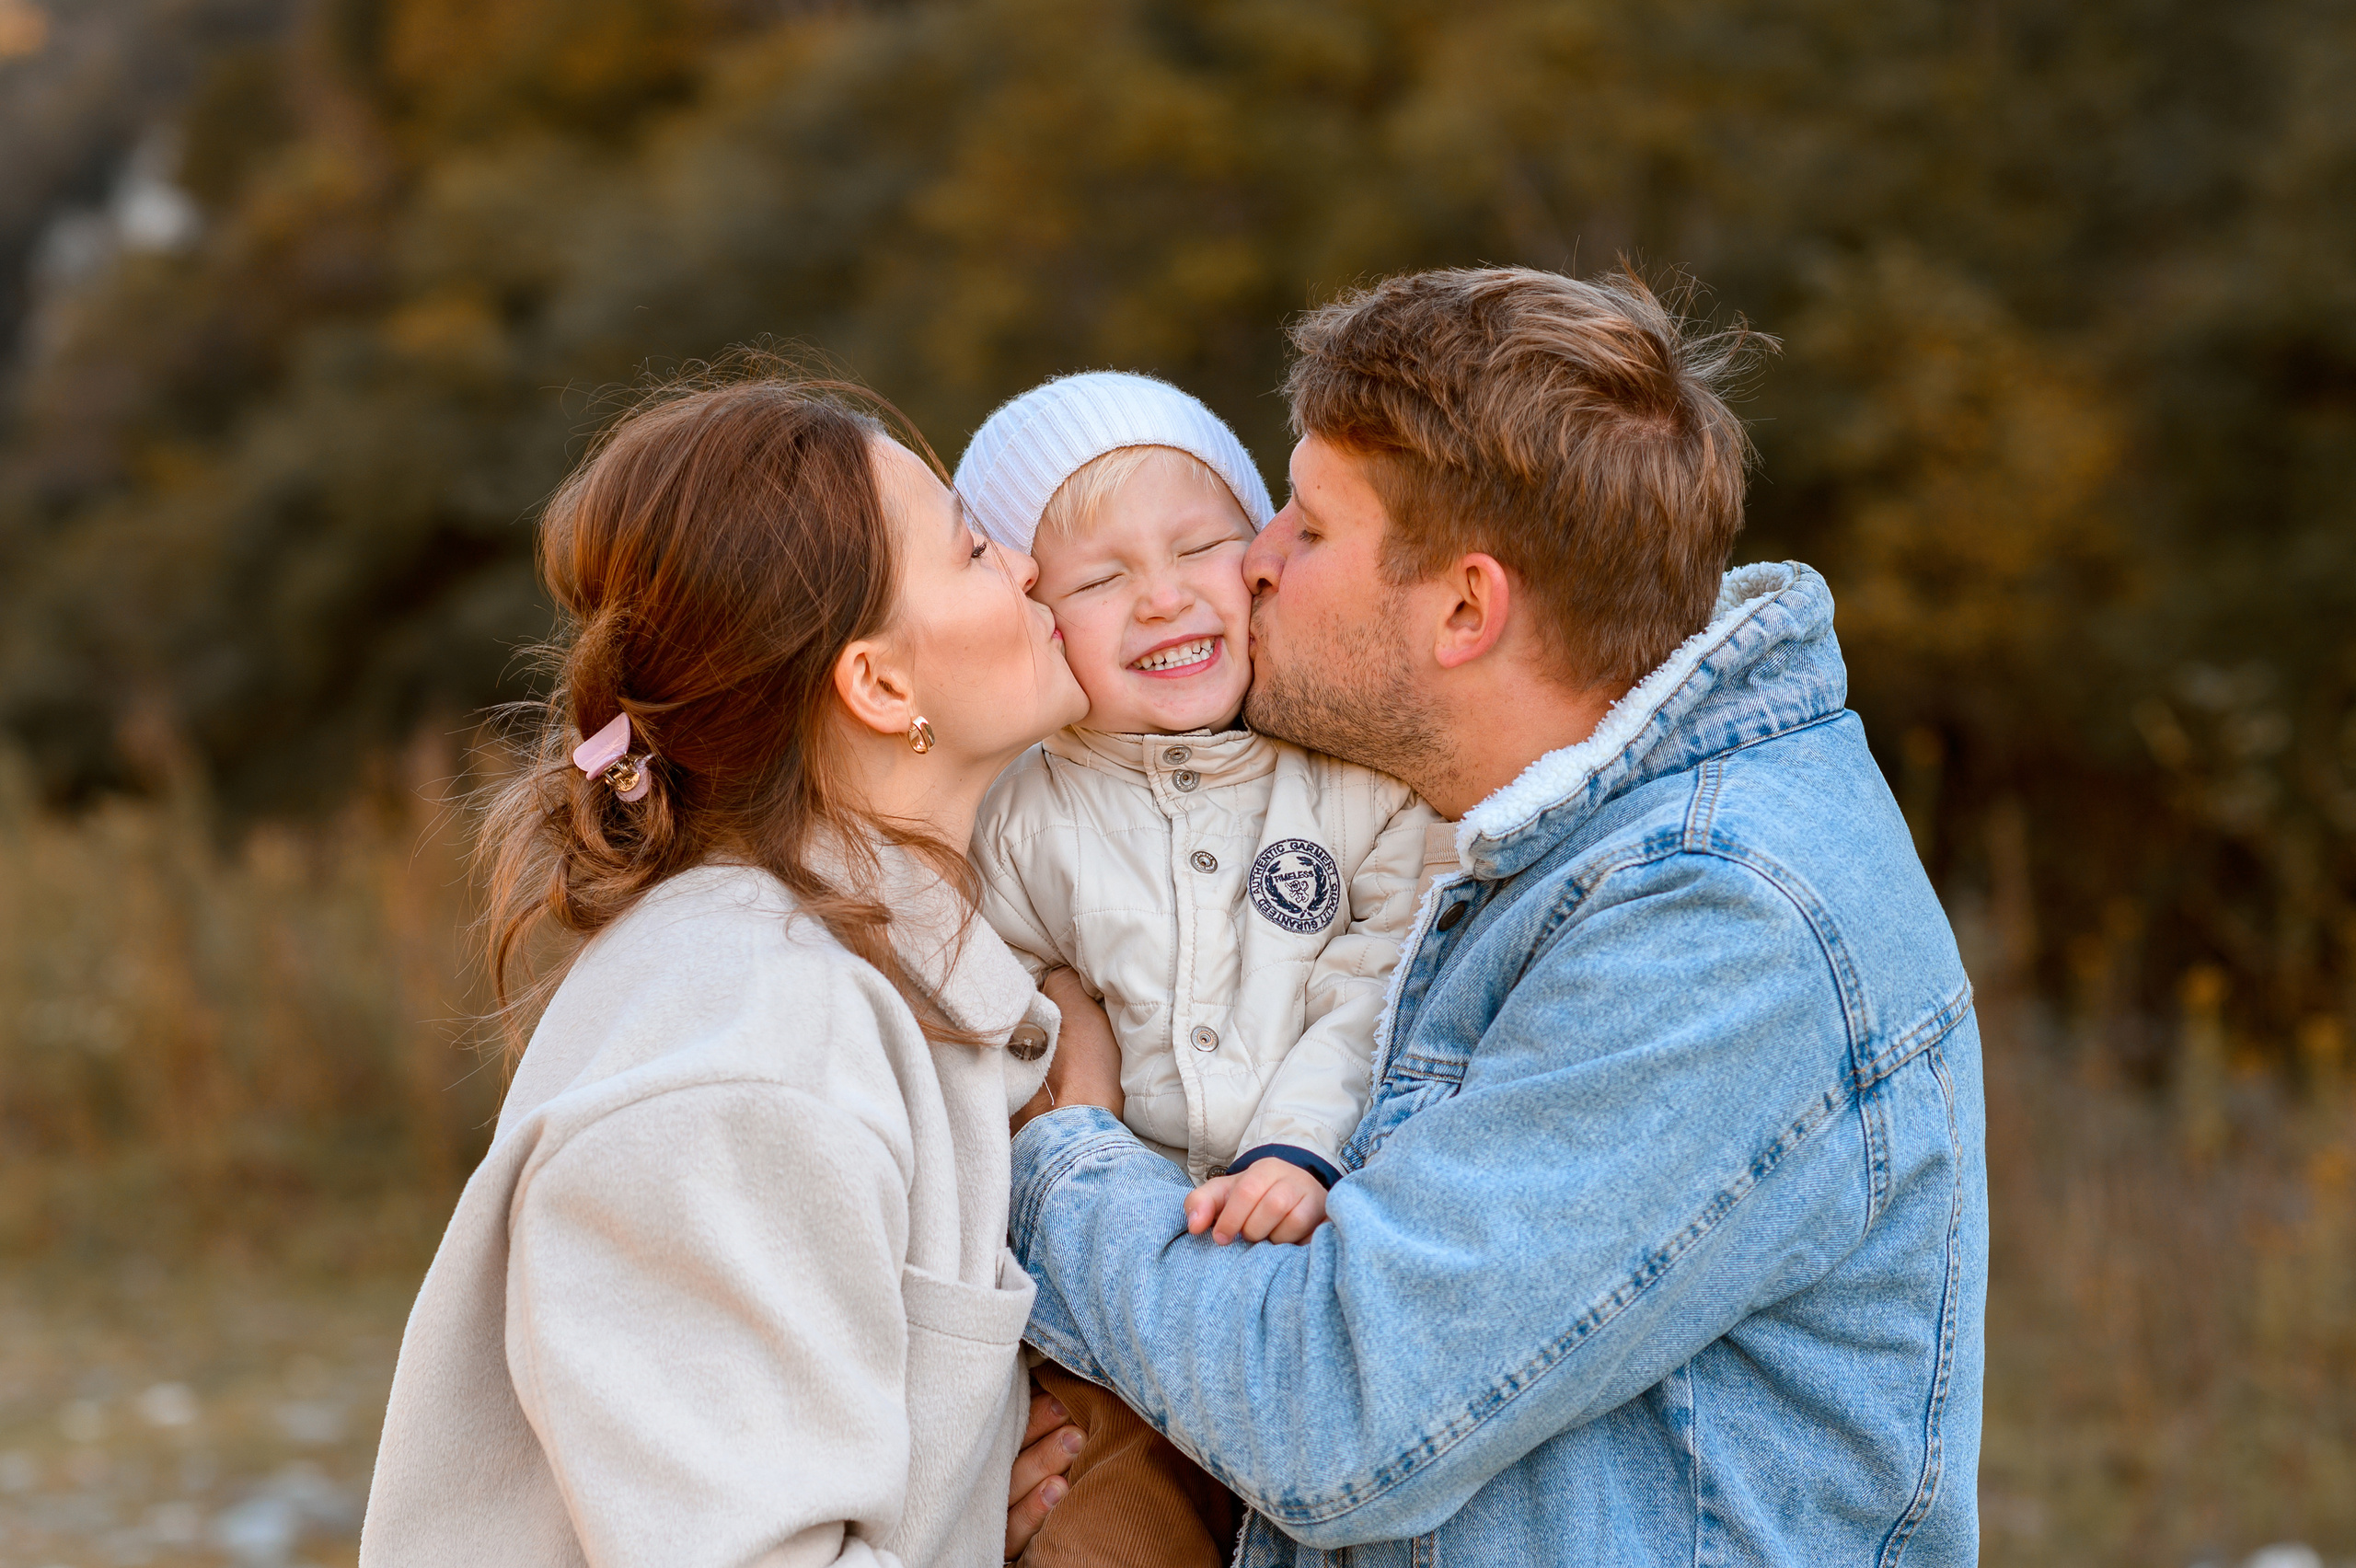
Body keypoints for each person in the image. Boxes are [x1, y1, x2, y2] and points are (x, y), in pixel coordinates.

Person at [1010, 269, 1989, 1565]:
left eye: (1304, 531)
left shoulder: (1718, 924)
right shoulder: (1496, 841)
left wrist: (1062, 1157)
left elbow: (1336, 1411)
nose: (1247, 564)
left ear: (1467, 608)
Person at [361, 376, 1092, 1567]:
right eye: (970, 549)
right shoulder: (753, 1053)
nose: (1025, 565)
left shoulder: (873, 975)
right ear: (880, 685)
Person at [955, 373, 1447, 1567]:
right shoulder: (1019, 816)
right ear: (1036, 617)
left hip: (1322, 1263)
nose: (1161, 597)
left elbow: (1375, 985)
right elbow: (987, 1036)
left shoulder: (1358, 779)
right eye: (1099, 579)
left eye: (1198, 547)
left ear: (1264, 560)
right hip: (1100, 1335)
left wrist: (1298, 1144)